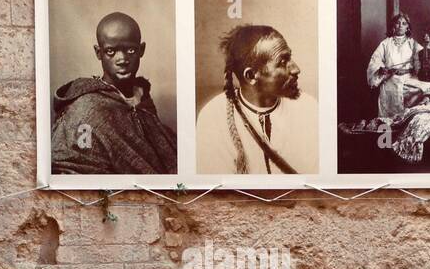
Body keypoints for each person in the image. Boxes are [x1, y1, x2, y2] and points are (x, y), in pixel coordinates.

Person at [51, 11, 177, 175]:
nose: (122, 59)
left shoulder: (142, 100)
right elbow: (71, 172)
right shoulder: (85, 109)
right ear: (99, 52)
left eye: (131, 50)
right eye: (111, 51)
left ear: (141, 50)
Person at [196, 24, 319, 174]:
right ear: (251, 76)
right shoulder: (213, 117)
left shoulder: (308, 108)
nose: (296, 69)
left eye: (290, 57)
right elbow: (219, 189)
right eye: (282, 61)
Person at [366, 11, 430, 118]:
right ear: (393, 25)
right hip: (390, 79)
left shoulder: (412, 43)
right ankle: (390, 128)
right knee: (390, 115)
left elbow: (425, 60)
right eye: (398, 23)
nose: (400, 26)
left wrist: (426, 45)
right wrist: (380, 69)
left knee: (428, 87)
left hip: (408, 79)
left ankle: (413, 119)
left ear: (408, 27)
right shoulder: (385, 43)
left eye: (404, 23)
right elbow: (375, 60)